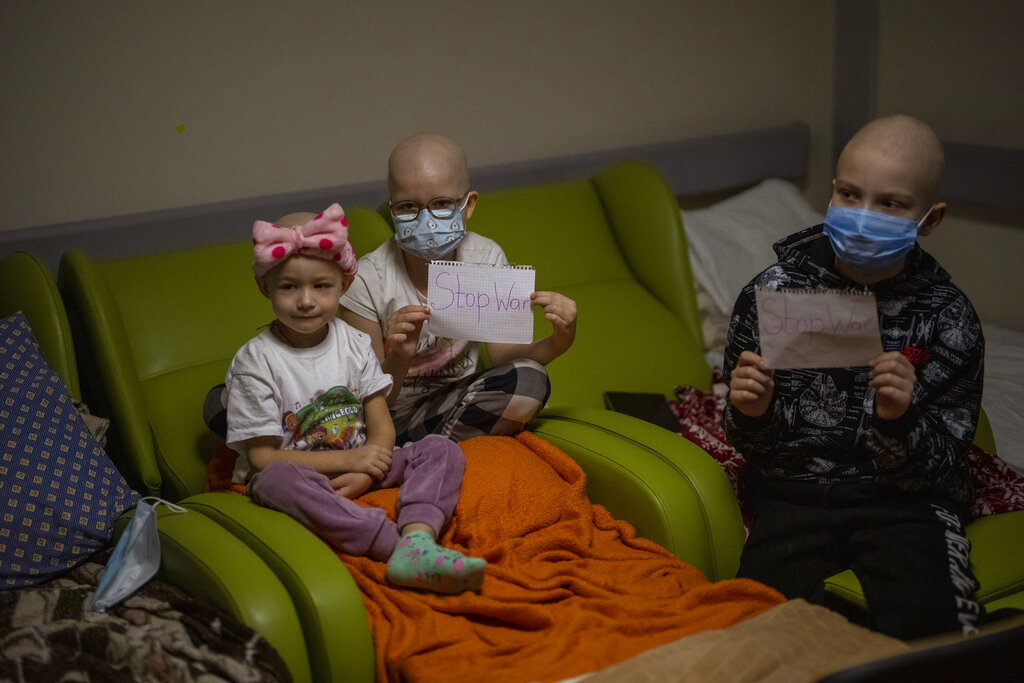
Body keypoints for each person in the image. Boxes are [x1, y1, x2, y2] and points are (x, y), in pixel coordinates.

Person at [722, 115, 984, 639]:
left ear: (929, 220)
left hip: (901, 502)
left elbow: (947, 467)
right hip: (793, 495)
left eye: (890, 203)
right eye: (849, 194)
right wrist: (753, 412)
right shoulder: (772, 292)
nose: (863, 218)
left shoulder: (947, 316)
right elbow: (750, 441)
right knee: (755, 631)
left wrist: (898, 419)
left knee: (937, 630)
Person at [225, 203, 486, 594]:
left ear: (344, 286)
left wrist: (368, 470)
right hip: (299, 472)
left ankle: (418, 537)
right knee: (272, 481)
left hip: (363, 460)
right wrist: (353, 459)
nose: (306, 301)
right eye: (289, 287)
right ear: (265, 287)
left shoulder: (355, 342)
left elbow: (381, 424)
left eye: (321, 286)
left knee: (439, 449)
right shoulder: (256, 360)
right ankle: (389, 544)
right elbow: (261, 458)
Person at [339, 133, 578, 445]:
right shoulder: (368, 281)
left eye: (441, 203)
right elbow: (368, 399)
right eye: (408, 206)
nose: (426, 219)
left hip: (461, 401)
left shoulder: (486, 259)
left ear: (468, 205)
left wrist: (559, 341)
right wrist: (399, 355)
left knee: (530, 378)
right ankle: (423, 453)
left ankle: (428, 452)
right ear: (392, 208)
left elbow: (501, 357)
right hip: (386, 419)